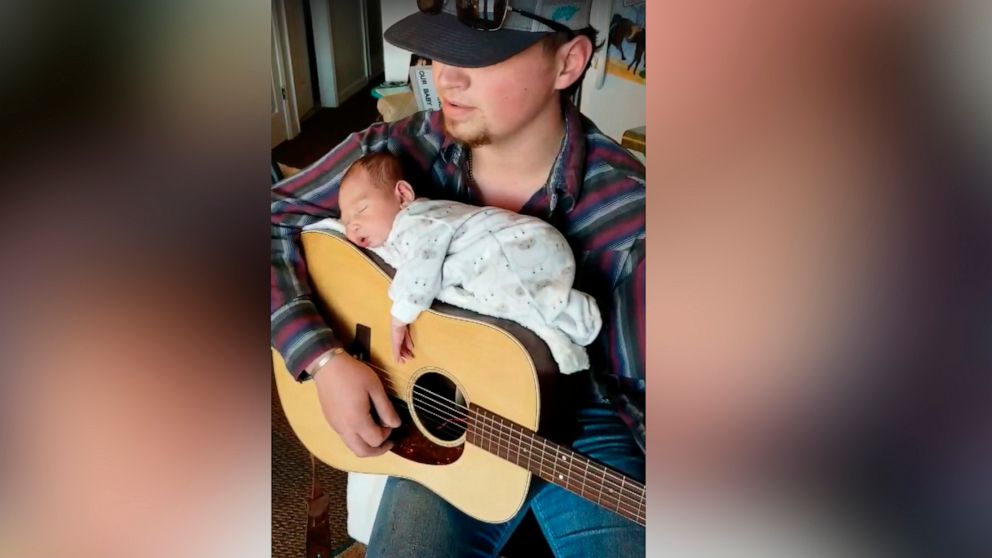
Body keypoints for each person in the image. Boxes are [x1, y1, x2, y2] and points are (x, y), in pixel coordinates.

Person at [271, 1, 645, 555]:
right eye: (440, 51)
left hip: (585, 414)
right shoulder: (395, 152)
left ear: (567, 64)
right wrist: (322, 359)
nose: (445, 77)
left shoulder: (632, 216)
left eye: (482, 57)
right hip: (446, 400)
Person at [314, 151, 602, 373]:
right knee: (490, 288)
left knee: (499, 287)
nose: (353, 227)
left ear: (402, 195)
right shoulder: (396, 230)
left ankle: (566, 310)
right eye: (347, 221)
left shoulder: (416, 219)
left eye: (361, 210)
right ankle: (553, 311)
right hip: (531, 247)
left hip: (522, 242)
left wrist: (400, 317)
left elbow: (421, 267)